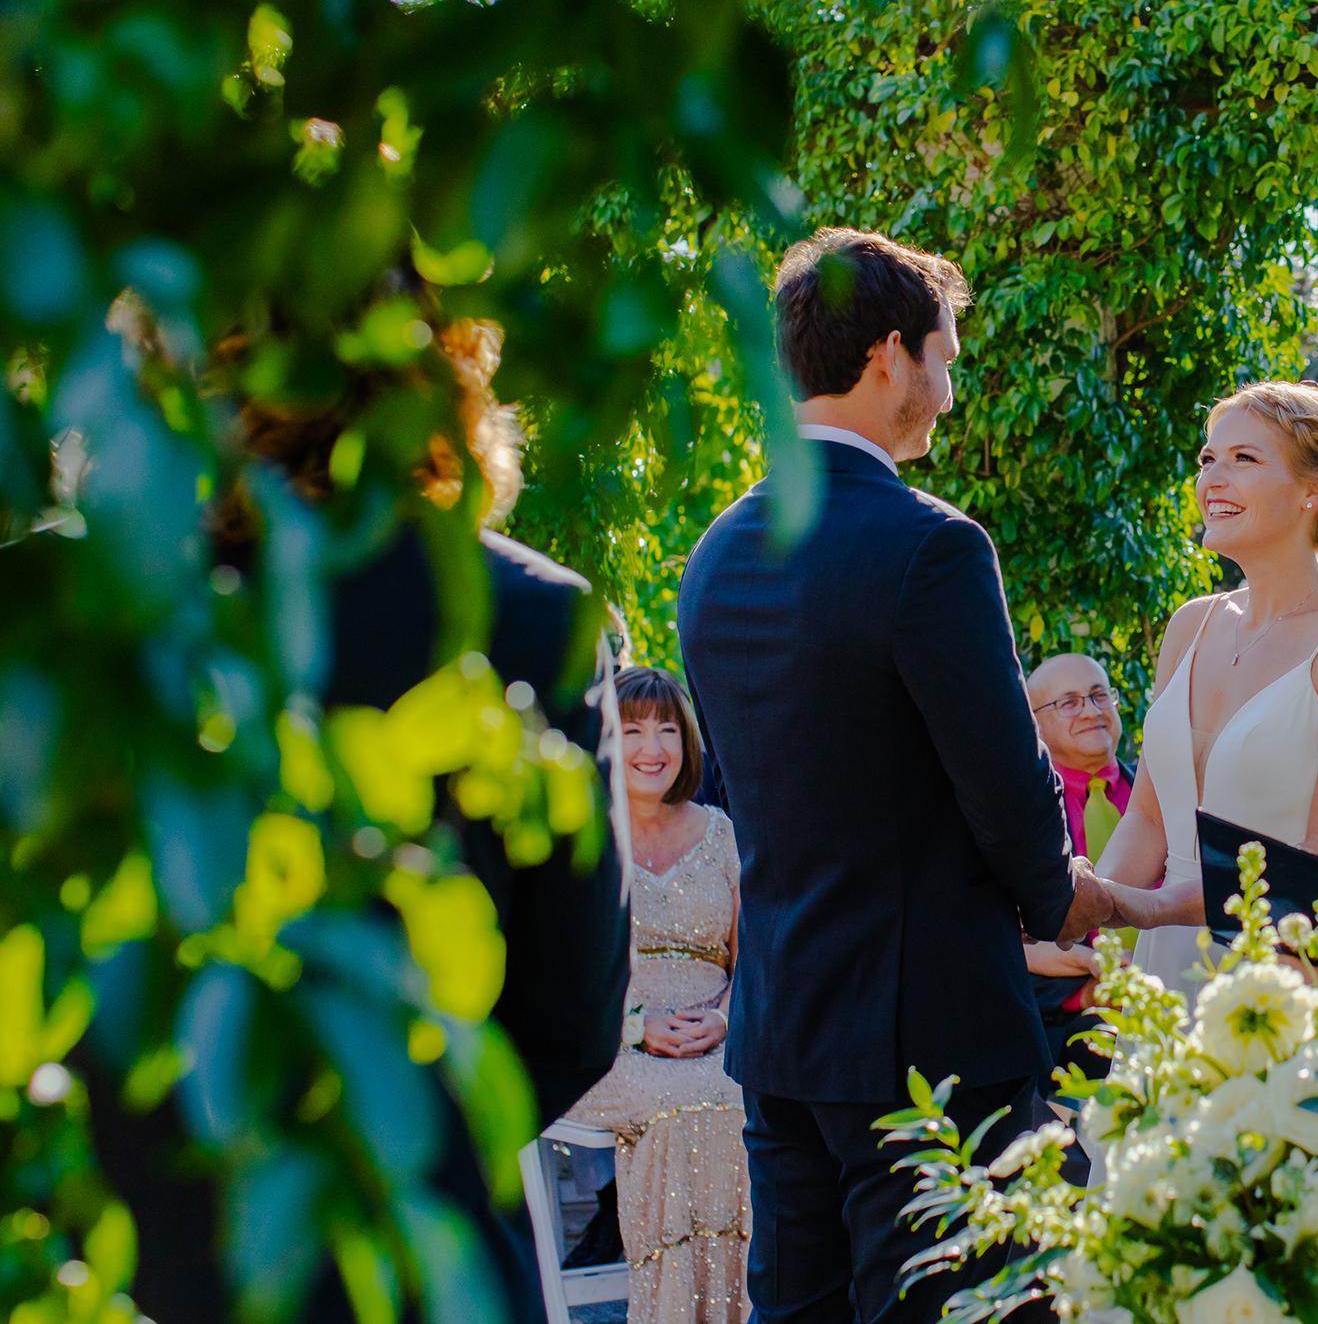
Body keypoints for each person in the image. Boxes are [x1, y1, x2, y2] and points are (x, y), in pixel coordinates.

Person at [90, 284, 633, 1324]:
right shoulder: (531, 620)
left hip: (141, 1265)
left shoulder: (83, 622)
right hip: (426, 1252)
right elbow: (571, 1019)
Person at [676, 227, 1113, 1324]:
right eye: (945, 358)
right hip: (932, 1039)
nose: (949, 392)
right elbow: (1006, 787)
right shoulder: (932, 545)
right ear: (888, 356)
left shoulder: (715, 552)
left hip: (783, 1028)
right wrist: (1065, 897)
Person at [1096, 381, 1318, 997]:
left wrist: (1156, 907)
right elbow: (1148, 819)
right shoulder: (1191, 625)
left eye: (1243, 459)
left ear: (1311, 492)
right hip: (1163, 970)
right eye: (1208, 459)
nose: (1212, 479)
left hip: (1280, 978)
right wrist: (1087, 907)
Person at [565, 665, 751, 1323]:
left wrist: (725, 1020)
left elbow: (753, 958)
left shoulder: (722, 834)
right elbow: (562, 975)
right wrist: (636, 1024)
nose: (652, 747)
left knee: (740, 1095)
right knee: (682, 1105)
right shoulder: (582, 837)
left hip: (716, 1040)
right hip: (607, 1046)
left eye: (667, 729)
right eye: (633, 730)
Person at [1022, 653, 1133, 1091]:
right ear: (1034, 723)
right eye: (1069, 702)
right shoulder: (1021, 820)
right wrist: (1087, 993)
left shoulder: (1161, 799)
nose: (1091, 710)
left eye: (1099, 695)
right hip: (1065, 1038)